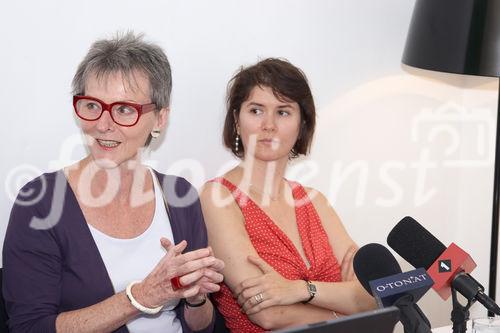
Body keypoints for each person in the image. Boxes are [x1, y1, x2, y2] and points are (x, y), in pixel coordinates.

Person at [3, 32, 224, 333]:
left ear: (160, 119)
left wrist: (197, 298)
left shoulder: (180, 196)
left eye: (124, 110)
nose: (103, 124)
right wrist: (142, 296)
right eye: (92, 105)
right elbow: (29, 328)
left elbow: (203, 327)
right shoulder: (40, 203)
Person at [200, 58, 376, 332]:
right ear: (236, 120)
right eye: (256, 110)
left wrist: (302, 290)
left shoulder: (314, 200)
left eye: (283, 112)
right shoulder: (218, 197)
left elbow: (371, 295)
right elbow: (268, 313)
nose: (268, 125)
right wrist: (344, 310)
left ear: (302, 124)